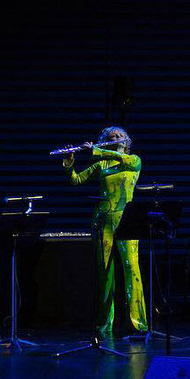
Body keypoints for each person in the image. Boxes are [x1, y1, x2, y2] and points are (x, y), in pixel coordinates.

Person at [63, 126, 147, 340]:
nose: (116, 139)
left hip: (127, 221)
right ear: (104, 141)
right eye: (111, 137)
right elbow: (76, 180)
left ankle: (138, 325)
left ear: (126, 141)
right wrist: (69, 163)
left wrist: (98, 150)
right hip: (103, 222)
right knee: (104, 274)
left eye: (119, 136)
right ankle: (103, 325)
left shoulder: (133, 160)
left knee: (132, 271)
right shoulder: (101, 164)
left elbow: (124, 159)